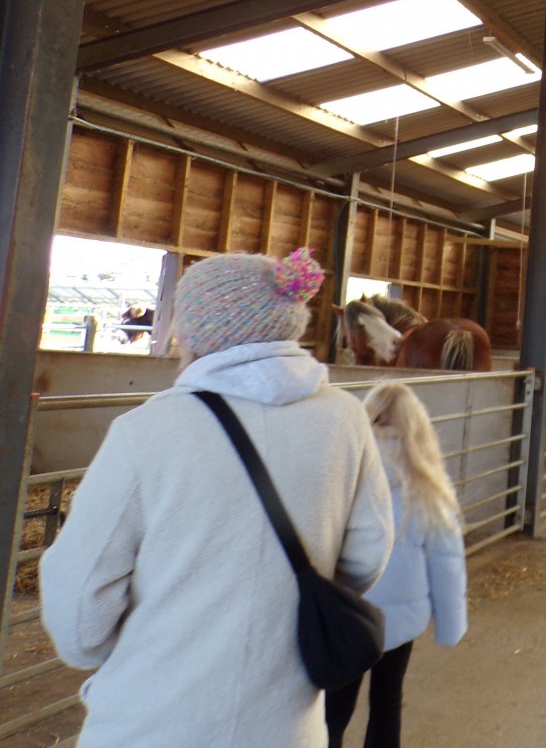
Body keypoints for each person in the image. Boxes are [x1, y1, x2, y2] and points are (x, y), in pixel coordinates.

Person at [41, 248, 393, 748]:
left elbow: (81, 614)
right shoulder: (344, 418)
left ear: (200, 328)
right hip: (288, 725)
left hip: (151, 722)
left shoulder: (146, 431)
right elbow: (367, 555)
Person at [327, 382, 468, 748]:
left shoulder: (342, 472)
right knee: (387, 701)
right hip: (399, 622)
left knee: (333, 708)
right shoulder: (428, 487)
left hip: (347, 614)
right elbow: (446, 562)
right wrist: (450, 626)